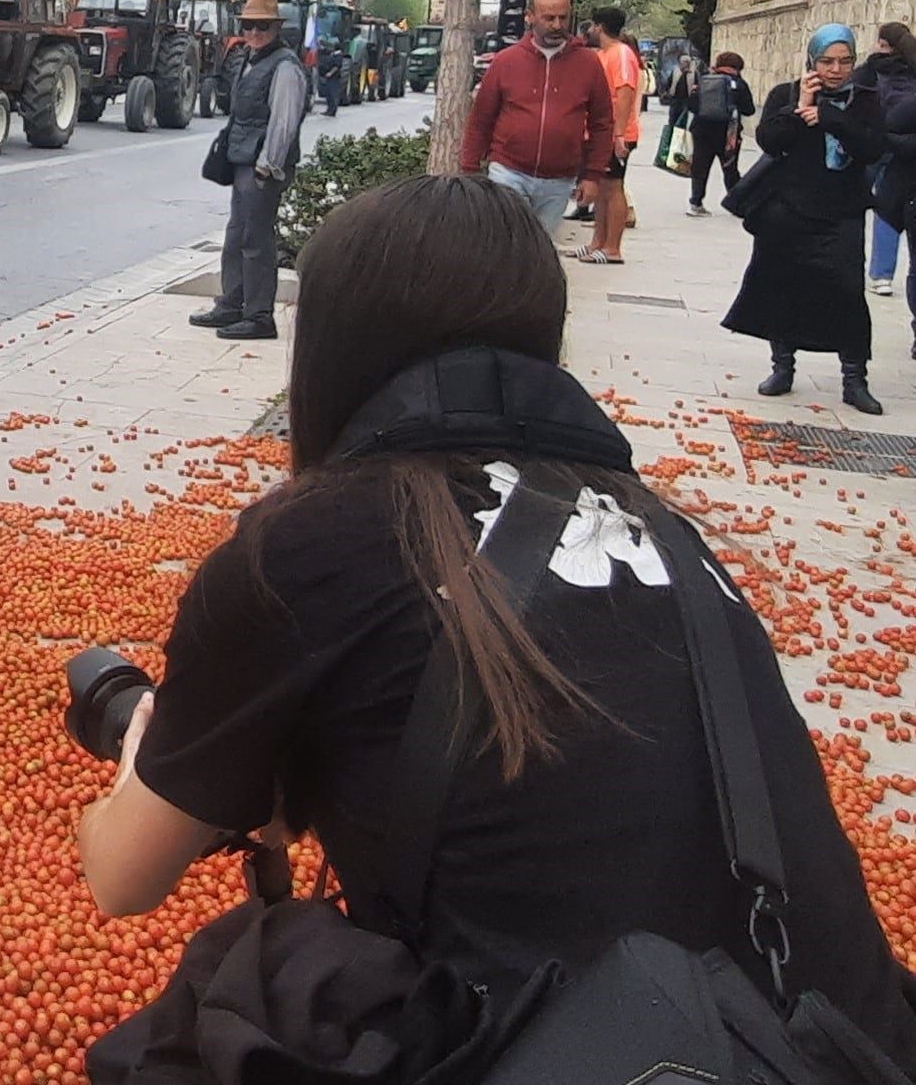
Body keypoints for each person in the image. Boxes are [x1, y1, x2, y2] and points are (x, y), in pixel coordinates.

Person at [79, 173, 916, 1063]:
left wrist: (148, 742)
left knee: (228, 993)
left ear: (330, 345)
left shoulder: (311, 542)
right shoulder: (667, 530)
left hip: (591, 1054)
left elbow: (121, 875)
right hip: (832, 1042)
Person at [724, 24, 888, 413]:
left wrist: (830, 116)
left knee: (849, 291)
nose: (836, 70)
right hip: (788, 209)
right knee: (784, 288)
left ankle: (854, 377)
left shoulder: (864, 98)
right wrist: (802, 108)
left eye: (845, 61)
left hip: (841, 211)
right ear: (812, 61)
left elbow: (871, 148)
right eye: (827, 61)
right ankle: (782, 366)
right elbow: (770, 139)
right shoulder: (788, 92)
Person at [187, 0, 308, 342]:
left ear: (275, 28)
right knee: (236, 235)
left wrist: (267, 166)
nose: (254, 32)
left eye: (262, 26)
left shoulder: (285, 67)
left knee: (256, 240)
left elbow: (284, 123)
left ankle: (258, 317)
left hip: (262, 166)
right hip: (244, 161)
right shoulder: (247, 59)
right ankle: (232, 303)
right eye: (249, 25)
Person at [457, 0, 612, 236]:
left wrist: (592, 175)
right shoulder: (506, 61)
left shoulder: (588, 64)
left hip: (559, 181)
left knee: (541, 251)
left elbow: (602, 123)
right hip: (509, 172)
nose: (557, 25)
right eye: (549, 18)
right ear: (530, 16)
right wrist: (470, 170)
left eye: (563, 17)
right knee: (508, 244)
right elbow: (481, 119)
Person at [579, 5, 646, 263]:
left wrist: (618, 134)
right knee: (601, 188)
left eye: (593, 26)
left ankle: (612, 247)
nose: (591, 31)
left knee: (612, 188)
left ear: (600, 26)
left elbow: (625, 92)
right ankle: (598, 241)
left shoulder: (620, 54)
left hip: (616, 133)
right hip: (603, 132)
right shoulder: (605, 55)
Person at [858, 22, 916, 297]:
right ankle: (882, 274)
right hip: (906, 149)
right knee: (890, 203)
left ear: (882, 43)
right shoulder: (912, 68)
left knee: (865, 202)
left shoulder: (872, 68)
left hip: (876, 143)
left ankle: (877, 271)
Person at [685, 51, 756, 217]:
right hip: (728, 134)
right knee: (730, 168)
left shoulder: (704, 80)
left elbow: (692, 106)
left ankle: (695, 203)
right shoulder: (738, 83)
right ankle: (736, 204)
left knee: (700, 167)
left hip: (702, 131)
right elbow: (749, 110)